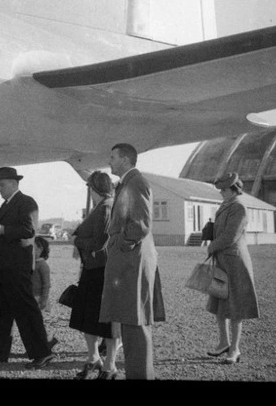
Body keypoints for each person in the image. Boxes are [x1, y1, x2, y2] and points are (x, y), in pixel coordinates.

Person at [0, 167, 54, 370]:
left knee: (26, 310)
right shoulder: (8, 205)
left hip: (16, 267)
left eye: (1, 185)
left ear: (13, 183)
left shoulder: (26, 202)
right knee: (3, 312)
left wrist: (1, 229)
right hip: (4, 266)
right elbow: (5, 233)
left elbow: (29, 230)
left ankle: (42, 353)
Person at [99, 143, 165, 380]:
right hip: (129, 260)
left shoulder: (136, 182)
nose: (109, 161)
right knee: (130, 320)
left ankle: (141, 375)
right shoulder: (127, 183)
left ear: (125, 160)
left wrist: (120, 243)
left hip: (132, 260)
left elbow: (142, 224)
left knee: (135, 321)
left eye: (113, 157)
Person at [70, 171, 122, 380]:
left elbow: (99, 242)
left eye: (90, 188)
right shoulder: (100, 207)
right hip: (93, 269)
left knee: (105, 320)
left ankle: (109, 364)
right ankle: (94, 358)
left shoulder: (106, 207)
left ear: (94, 188)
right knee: (87, 317)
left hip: (102, 272)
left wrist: (77, 241)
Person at [206, 172, 260, 365]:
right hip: (223, 260)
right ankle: (223, 343)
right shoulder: (228, 204)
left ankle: (235, 349)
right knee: (220, 303)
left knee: (235, 307)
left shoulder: (238, 206)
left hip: (235, 262)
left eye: (223, 190)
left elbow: (231, 236)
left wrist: (211, 246)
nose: (221, 193)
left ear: (233, 189)